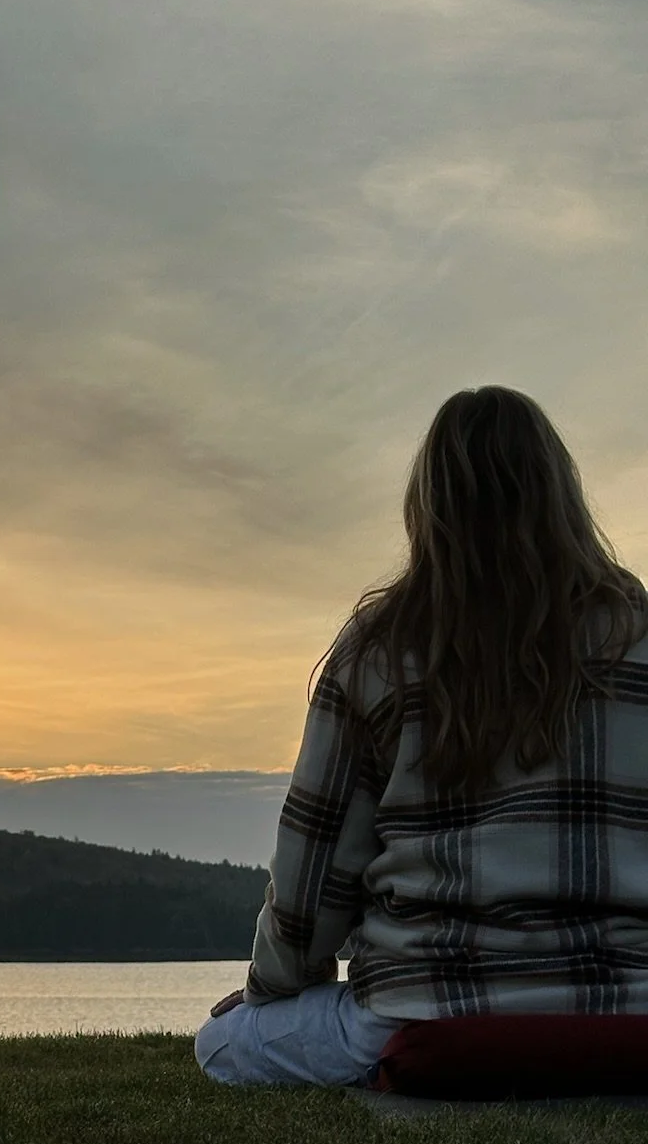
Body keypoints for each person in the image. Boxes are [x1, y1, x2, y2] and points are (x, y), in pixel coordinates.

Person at [196, 385, 648, 1088]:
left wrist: (276, 989)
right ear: (564, 494)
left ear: (429, 505)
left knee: (221, 1044)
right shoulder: (640, 636)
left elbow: (311, 886)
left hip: (429, 1012)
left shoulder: (377, 651)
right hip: (631, 1015)